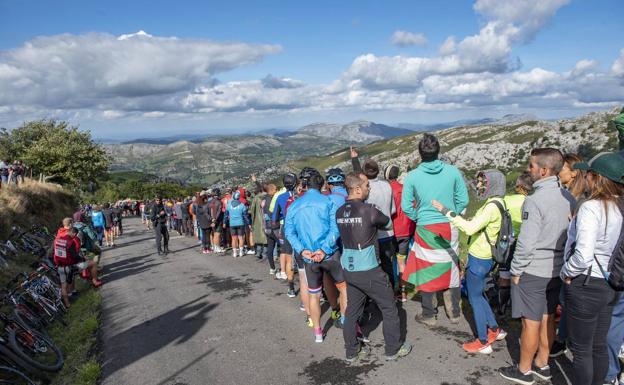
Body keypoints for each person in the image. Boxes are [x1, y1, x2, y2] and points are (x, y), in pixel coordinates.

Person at [500, 148, 576, 384]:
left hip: (533, 270)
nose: (529, 169)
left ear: (544, 170)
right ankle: (543, 363)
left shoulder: (534, 201)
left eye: (532, 166)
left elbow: (526, 242)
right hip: (557, 268)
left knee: (530, 322)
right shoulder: (569, 198)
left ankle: (524, 370)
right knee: (548, 317)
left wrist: (516, 270)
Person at [557, 153, 624, 385]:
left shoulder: (592, 207)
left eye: (589, 174)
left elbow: (583, 255)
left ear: (598, 178)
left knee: (582, 350)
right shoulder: (619, 206)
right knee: (598, 346)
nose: (585, 177)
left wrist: (566, 272)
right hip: (609, 283)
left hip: (585, 283)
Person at [337, 172, 412, 362]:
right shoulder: (368, 210)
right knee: (389, 307)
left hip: (349, 267)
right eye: (367, 186)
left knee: (352, 310)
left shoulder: (339, 211)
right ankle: (393, 348)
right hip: (369, 268)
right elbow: (386, 221)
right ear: (357, 189)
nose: (369, 189)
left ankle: (352, 351)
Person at [432, 169, 508, 354]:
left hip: (479, 258)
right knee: (479, 294)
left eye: (484, 182)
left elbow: (470, 228)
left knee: (474, 298)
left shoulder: (490, 207)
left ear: (493, 184)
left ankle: (483, 340)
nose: (480, 186)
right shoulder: (499, 202)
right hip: (486, 258)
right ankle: (494, 328)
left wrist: (446, 211)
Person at [401, 134, 469, 326]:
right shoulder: (453, 172)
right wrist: (452, 214)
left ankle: (429, 314)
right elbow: (463, 200)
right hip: (449, 224)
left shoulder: (413, 176)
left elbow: (406, 207)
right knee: (452, 265)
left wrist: (419, 217)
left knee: (427, 267)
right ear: (438, 151)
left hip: (425, 227)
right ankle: (454, 312)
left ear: (420, 153)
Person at [284, 172, 346, 343]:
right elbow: (335, 229)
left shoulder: (295, 206)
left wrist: (302, 250)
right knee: (343, 288)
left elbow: (289, 232)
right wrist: (324, 249)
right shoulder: (329, 202)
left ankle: (318, 332)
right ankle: (345, 321)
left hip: (308, 256)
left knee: (314, 295)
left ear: (305, 185)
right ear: (322, 185)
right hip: (329, 254)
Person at [351, 149, 397, 288]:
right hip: (389, 233)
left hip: (374, 235)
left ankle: (380, 296)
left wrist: (354, 159)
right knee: (388, 265)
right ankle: (392, 293)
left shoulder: (367, 190)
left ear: (365, 174)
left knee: (376, 268)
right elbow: (393, 209)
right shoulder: (387, 185)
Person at [497, 172, 533, 315]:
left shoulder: (506, 200)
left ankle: (502, 308)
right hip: (523, 243)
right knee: (520, 277)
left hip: (507, 243)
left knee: (504, 277)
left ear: (518, 185)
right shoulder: (531, 202)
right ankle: (518, 309)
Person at [53, 218, 102, 308]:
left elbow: (53, 252)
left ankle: (67, 303)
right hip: (70, 265)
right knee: (93, 263)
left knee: (64, 286)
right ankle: (95, 281)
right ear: (71, 225)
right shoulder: (71, 240)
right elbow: (75, 255)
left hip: (60, 266)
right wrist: (82, 260)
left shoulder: (57, 237)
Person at [385, 164, 416, 302]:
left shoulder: (387, 190)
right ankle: (402, 293)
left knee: (390, 262)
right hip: (406, 231)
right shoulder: (406, 189)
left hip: (392, 232)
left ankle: (392, 291)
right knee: (402, 262)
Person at [272, 173, 298, 297]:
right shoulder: (301, 195)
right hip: (302, 229)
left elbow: (274, 218)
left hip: (287, 229)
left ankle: (291, 288)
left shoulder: (280, 197)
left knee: (289, 259)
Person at [225, 191, 249, 258]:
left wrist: (224, 222)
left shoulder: (229, 205)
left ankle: (235, 253)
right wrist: (249, 223)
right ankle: (241, 252)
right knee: (241, 238)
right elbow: (245, 216)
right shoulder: (242, 205)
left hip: (232, 223)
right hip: (240, 223)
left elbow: (226, 215)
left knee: (233, 238)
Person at [249, 176, 268, 261]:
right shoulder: (268, 197)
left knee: (258, 237)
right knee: (266, 238)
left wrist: (252, 221)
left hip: (257, 220)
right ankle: (265, 254)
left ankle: (258, 252)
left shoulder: (255, 198)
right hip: (266, 220)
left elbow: (252, 210)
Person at [262, 184, 279, 274]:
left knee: (270, 247)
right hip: (273, 227)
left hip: (267, 227)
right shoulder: (271, 200)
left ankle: (272, 268)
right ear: (271, 190)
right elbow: (272, 214)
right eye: (276, 189)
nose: (277, 191)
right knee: (283, 248)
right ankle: (284, 269)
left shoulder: (264, 199)